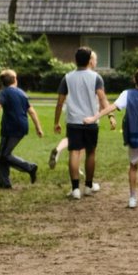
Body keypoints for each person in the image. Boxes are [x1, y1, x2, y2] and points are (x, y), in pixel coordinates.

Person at [86, 67, 138, 212]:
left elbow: (111, 107)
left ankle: (132, 198)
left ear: (134, 80)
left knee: (133, 166)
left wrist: (94, 118)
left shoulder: (127, 94)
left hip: (134, 137)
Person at [53, 47, 112, 199]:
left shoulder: (67, 78)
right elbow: (102, 98)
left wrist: (56, 122)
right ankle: (88, 186)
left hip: (73, 121)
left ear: (75, 60)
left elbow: (60, 102)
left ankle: (75, 190)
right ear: (89, 60)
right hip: (91, 121)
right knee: (91, 152)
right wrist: (110, 115)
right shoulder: (96, 77)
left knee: (74, 152)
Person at [0, 69, 43, 188]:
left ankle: (29, 167)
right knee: (2, 153)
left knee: (4, 155)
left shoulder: (4, 93)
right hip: (22, 126)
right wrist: (38, 128)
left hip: (11, 127)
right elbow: (32, 112)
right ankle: (4, 183)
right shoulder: (22, 93)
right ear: (15, 80)